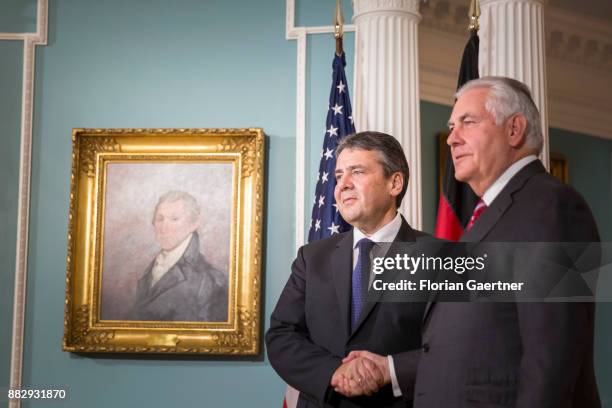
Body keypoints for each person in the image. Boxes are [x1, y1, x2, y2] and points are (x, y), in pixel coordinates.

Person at [347, 77, 601, 407]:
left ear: (514, 130)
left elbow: (554, 357)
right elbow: (476, 348)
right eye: (452, 126)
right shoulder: (491, 214)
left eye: (468, 122)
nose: (452, 138)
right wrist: (389, 369)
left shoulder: (555, 206)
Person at [266, 131, 432, 407]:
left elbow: (457, 347)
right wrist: (334, 371)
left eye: (357, 172)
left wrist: (389, 370)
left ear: (395, 183)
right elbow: (282, 335)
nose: (343, 185)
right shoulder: (312, 257)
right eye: (338, 176)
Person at [131, 190, 228, 322]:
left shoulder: (211, 281)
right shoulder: (152, 268)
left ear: (194, 224)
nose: (164, 227)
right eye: (160, 219)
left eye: (174, 219)